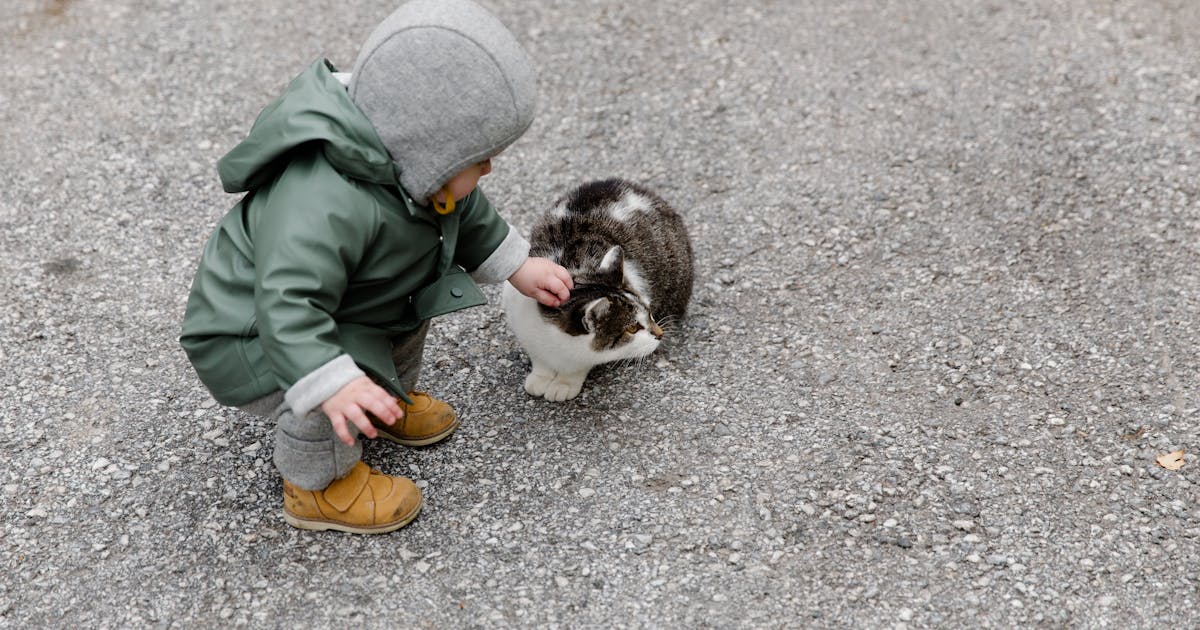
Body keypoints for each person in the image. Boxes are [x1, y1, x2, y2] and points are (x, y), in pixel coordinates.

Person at [179, 0, 572, 534]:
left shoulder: (416, 169)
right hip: (255, 334)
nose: (488, 166)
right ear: (426, 148)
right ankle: (317, 487)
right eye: (476, 157)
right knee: (332, 386)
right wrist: (332, 382)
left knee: (408, 318)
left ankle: (384, 403)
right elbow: (287, 304)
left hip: (356, 303)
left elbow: (466, 210)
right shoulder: (321, 203)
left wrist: (515, 263)